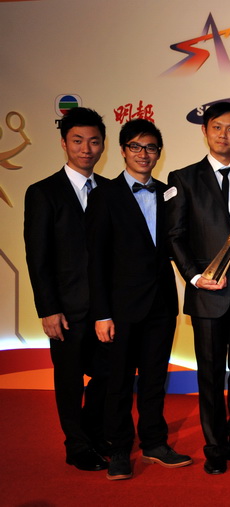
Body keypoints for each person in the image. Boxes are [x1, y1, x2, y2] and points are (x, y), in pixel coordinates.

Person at [166, 102, 230, 475]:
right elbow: (175, 237)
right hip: (207, 292)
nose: (224, 135)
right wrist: (195, 277)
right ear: (205, 131)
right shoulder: (183, 179)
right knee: (209, 374)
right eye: (217, 128)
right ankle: (215, 446)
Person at [86, 119, 191, 480]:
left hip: (161, 305)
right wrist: (101, 313)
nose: (143, 154)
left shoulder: (169, 193)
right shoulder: (104, 195)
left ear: (159, 153)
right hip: (118, 309)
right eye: (135, 146)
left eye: (150, 148)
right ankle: (118, 450)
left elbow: (181, 244)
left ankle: (154, 444)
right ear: (122, 151)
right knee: (117, 382)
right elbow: (95, 260)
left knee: (153, 379)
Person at [23, 107, 109, 472]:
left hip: (107, 309)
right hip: (66, 310)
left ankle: (91, 432)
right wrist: (48, 309)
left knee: (110, 375)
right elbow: (37, 256)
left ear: (103, 144)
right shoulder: (43, 192)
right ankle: (76, 445)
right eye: (77, 141)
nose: (86, 148)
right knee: (70, 381)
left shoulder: (110, 191)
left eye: (93, 141)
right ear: (64, 143)